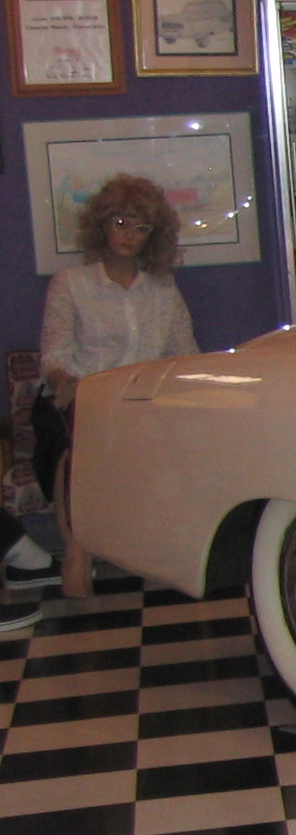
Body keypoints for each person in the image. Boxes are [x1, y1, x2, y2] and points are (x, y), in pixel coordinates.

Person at [40, 175, 197, 598]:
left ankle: (155, 549)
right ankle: (78, 551)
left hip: (145, 399)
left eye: (140, 227)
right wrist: (69, 384)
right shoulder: (71, 283)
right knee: (82, 436)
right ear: (102, 226)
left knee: (165, 432)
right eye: (120, 223)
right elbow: (54, 356)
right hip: (83, 395)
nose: (129, 235)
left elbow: (185, 353)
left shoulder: (162, 289)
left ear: (153, 236)